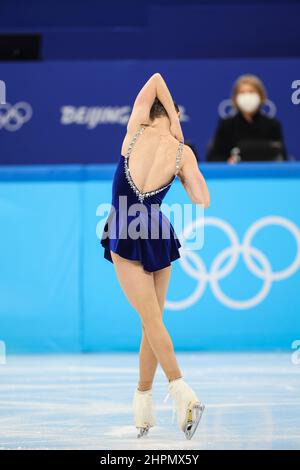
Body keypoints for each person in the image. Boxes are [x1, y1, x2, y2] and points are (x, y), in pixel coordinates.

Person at [100, 72, 210, 439]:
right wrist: (180, 162)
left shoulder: (134, 132)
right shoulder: (183, 152)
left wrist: (172, 122)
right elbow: (202, 200)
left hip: (127, 228)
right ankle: (143, 406)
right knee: (153, 321)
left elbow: (156, 79)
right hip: (157, 230)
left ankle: (182, 393)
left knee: (151, 321)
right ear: (174, 115)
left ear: (150, 112)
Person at [206, 74, 288, 163]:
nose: (247, 96)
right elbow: (214, 157)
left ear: (261, 96)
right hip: (235, 174)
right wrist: (228, 161)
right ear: (235, 97)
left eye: (251, 92)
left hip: (266, 174)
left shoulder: (273, 125)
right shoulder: (226, 125)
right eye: (242, 92)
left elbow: (281, 157)